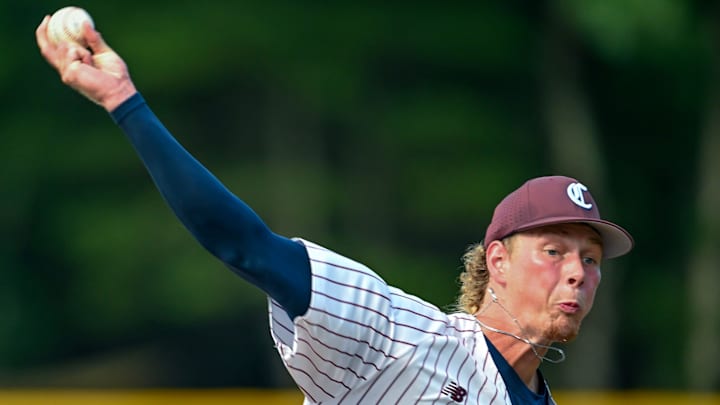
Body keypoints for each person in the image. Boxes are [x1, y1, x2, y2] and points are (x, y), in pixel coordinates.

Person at [36, 15, 634, 405]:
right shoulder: (393, 336)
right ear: (497, 262)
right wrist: (125, 103)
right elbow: (243, 245)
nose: (578, 272)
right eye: (554, 251)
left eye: (590, 257)